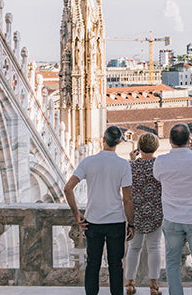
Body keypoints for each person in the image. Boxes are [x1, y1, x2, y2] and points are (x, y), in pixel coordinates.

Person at [64, 126, 134, 295]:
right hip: (116, 222)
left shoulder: (88, 162)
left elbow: (68, 188)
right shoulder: (123, 165)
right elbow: (127, 199)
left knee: (93, 263)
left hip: (93, 221)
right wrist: (131, 224)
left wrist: (76, 214)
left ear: (103, 140)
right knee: (116, 264)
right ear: (118, 142)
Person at [153, 123, 192, 295]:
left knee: (172, 262)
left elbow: (156, 176)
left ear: (170, 141)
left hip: (172, 217)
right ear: (189, 140)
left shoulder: (161, 161)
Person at [125, 133, 163, 295]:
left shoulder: (130, 166)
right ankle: (154, 286)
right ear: (156, 147)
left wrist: (133, 160)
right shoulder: (160, 165)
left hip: (136, 212)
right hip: (155, 211)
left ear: (139, 148)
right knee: (154, 248)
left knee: (134, 248)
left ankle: (130, 284)